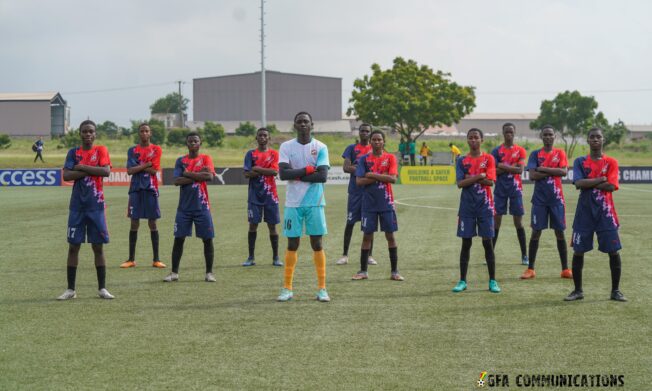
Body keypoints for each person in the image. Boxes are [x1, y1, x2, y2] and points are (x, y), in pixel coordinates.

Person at [565, 127, 626, 302]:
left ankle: (615, 291)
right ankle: (578, 291)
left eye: (598, 137)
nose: (595, 140)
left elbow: (612, 186)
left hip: (606, 214)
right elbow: (578, 183)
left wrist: (588, 183)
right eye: (592, 137)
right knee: (578, 251)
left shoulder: (611, 162)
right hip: (584, 213)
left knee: (613, 251)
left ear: (603, 140)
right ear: (588, 140)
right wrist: (600, 179)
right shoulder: (580, 161)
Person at [276, 112, 330, 302]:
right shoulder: (286, 146)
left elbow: (322, 176)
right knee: (292, 244)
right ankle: (287, 288)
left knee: (317, 243)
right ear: (295, 125)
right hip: (293, 203)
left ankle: (322, 288)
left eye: (306, 121)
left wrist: (295, 174)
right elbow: (283, 174)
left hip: (315, 202)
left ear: (312, 125)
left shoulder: (321, 147)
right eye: (299, 122)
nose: (303, 124)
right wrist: (308, 170)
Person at [57, 120, 114, 300]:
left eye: (90, 131)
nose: (87, 134)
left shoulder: (101, 151)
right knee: (73, 247)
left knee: (98, 247)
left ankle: (102, 288)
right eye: (84, 131)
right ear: (80, 134)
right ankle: (71, 290)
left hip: (96, 206)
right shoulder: (73, 152)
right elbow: (66, 175)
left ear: (95, 134)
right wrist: (91, 170)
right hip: (77, 207)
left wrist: (81, 168)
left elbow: (105, 172)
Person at [452, 128, 501, 293]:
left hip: (485, 206)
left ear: (482, 140)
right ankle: (462, 281)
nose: (473, 140)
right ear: (467, 140)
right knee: (466, 243)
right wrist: (479, 176)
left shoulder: (488, 159)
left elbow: (490, 182)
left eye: (476, 137)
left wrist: (470, 178)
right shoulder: (461, 160)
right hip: (467, 207)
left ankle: (493, 281)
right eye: (470, 138)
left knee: (487, 243)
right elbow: (460, 183)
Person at [520, 125, 572, 280]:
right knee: (536, 232)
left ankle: (565, 269)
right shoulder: (535, 154)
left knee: (560, 233)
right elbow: (532, 176)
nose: (548, 137)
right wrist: (551, 170)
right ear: (541, 137)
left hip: (556, 200)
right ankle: (530, 269)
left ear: (554, 136)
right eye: (545, 134)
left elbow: (563, 172)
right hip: (539, 201)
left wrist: (543, 169)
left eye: (550, 134)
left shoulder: (560, 153)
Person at [164, 132, 217, 283]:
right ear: (187, 144)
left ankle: (209, 273)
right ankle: (174, 273)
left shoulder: (206, 158)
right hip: (184, 208)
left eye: (196, 141)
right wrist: (197, 174)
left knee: (207, 239)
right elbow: (177, 181)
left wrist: (188, 174)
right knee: (178, 239)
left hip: (202, 207)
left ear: (200, 143)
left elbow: (209, 177)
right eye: (190, 141)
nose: (193, 143)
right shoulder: (181, 161)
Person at [352, 130, 403, 281]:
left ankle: (395, 272)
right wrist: (382, 177)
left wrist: (371, 174)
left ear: (383, 142)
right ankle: (363, 271)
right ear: (371, 141)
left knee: (390, 236)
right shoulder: (364, 159)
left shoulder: (390, 158)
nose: (376, 142)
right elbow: (359, 181)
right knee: (367, 236)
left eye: (379, 140)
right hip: (369, 204)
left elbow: (393, 179)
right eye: (373, 140)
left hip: (386, 203)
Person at [120, 123, 166, 269]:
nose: (144, 133)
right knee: (134, 222)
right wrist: (146, 165)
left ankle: (156, 259)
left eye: (147, 131)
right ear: (138, 133)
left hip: (151, 189)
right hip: (135, 189)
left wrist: (140, 167)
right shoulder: (132, 150)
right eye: (142, 131)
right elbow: (130, 171)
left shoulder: (156, 149)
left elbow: (154, 171)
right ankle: (131, 259)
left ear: (150, 133)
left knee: (152, 223)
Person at [336, 124, 376, 266]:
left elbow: (377, 168)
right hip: (355, 191)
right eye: (362, 131)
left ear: (370, 134)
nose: (364, 133)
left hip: (370, 191)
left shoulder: (374, 149)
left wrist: (358, 169)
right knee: (350, 222)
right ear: (358, 133)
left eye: (367, 131)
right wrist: (364, 171)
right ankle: (345, 255)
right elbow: (346, 168)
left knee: (369, 224)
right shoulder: (351, 148)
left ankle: (370, 255)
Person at [242, 127, 282, 267]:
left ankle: (276, 257)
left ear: (269, 138)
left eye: (265, 135)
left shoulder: (274, 154)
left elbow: (274, 171)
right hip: (254, 196)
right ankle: (251, 257)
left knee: (272, 227)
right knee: (253, 226)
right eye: (260, 135)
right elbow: (247, 174)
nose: (263, 137)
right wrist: (265, 171)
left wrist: (257, 169)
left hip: (271, 196)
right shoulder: (250, 154)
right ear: (256, 138)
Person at [491, 123, 528, 265]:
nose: (509, 134)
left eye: (511, 132)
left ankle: (524, 255)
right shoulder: (496, 151)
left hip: (515, 190)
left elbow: (520, 170)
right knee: (496, 222)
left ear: (514, 133)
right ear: (503, 133)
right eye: (506, 132)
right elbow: (494, 171)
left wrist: (501, 165)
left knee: (518, 223)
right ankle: (490, 253)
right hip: (500, 190)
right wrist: (511, 167)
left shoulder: (520, 150)